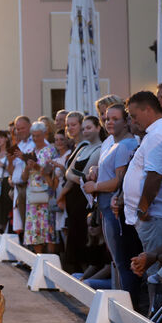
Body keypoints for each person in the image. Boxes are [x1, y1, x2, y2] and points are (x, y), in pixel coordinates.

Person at [83, 104, 141, 307]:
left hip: (115, 208)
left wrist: (95, 186)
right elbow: (107, 167)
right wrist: (95, 168)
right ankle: (121, 306)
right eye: (107, 118)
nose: (109, 122)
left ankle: (128, 309)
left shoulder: (126, 145)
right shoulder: (111, 142)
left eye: (115, 119)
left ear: (126, 121)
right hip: (106, 207)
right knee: (117, 262)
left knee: (122, 261)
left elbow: (119, 181)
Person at [123, 91, 162, 277]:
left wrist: (142, 208)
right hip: (154, 216)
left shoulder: (158, 134)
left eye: (134, 116)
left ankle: (153, 307)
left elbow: (154, 176)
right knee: (151, 271)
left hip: (156, 217)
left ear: (148, 109)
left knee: (154, 273)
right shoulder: (154, 133)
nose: (133, 121)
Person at [58, 115, 102, 273]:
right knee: (74, 235)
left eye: (89, 127)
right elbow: (69, 173)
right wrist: (75, 176)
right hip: (74, 199)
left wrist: (74, 176)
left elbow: (82, 175)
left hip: (84, 199)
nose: (86, 131)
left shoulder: (100, 148)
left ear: (98, 127)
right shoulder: (83, 148)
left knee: (84, 236)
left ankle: (84, 273)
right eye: (84, 128)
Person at [21, 122, 57, 253]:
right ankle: (38, 259)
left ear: (44, 134)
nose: (35, 139)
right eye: (33, 136)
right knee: (34, 229)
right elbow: (23, 178)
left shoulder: (51, 150)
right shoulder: (29, 152)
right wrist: (27, 167)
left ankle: (51, 263)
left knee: (48, 228)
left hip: (46, 192)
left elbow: (52, 173)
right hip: (32, 193)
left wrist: (37, 167)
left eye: (38, 135)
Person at [7, 116, 34, 235]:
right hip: (18, 188)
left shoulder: (35, 142)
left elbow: (37, 161)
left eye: (22, 128)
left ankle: (32, 250)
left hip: (29, 186)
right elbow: (11, 170)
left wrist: (23, 157)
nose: (19, 131)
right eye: (17, 129)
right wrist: (10, 161)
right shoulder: (20, 145)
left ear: (30, 127)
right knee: (22, 224)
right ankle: (26, 248)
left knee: (30, 223)